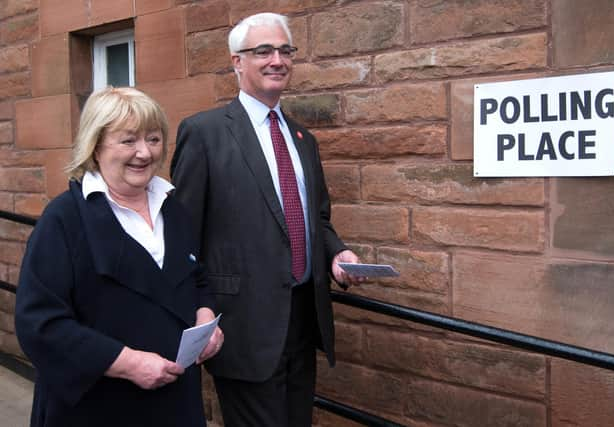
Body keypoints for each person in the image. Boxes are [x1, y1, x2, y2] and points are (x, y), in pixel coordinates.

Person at [170, 12, 363, 427]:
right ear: (237, 62)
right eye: (263, 51)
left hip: (303, 318)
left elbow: (318, 219)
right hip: (241, 329)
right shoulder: (204, 133)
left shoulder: (302, 139)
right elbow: (182, 234)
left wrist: (337, 253)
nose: (277, 59)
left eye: (284, 50)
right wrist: (199, 310)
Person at [14, 86, 224, 427]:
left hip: (175, 402)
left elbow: (195, 277)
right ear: (95, 146)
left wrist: (205, 315)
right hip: (96, 407)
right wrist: (127, 363)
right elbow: (39, 325)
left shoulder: (172, 208)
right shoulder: (64, 219)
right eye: (128, 141)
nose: (144, 153)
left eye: (153, 139)